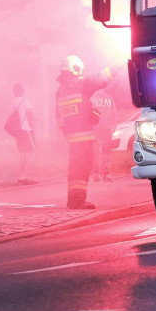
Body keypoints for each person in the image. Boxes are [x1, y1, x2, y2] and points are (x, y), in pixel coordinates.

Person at [55, 55, 113, 209]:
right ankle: (78, 201)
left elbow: (59, 119)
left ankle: (73, 200)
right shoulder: (79, 84)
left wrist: (88, 113)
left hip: (72, 140)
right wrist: (117, 67)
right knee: (82, 169)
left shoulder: (60, 91)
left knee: (75, 169)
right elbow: (99, 79)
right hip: (85, 137)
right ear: (74, 68)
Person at [11, 83, 38, 185]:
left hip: (18, 130)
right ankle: (23, 175)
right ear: (22, 91)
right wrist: (34, 125)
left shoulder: (14, 101)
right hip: (26, 129)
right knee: (33, 152)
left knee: (23, 153)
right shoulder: (25, 101)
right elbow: (31, 114)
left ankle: (26, 177)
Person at [90, 86, 118, 182]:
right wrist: (114, 124)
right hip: (102, 128)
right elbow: (114, 112)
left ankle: (97, 174)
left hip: (97, 128)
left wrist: (114, 124)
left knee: (98, 151)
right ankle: (103, 174)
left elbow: (114, 112)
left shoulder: (91, 98)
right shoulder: (109, 98)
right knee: (104, 151)